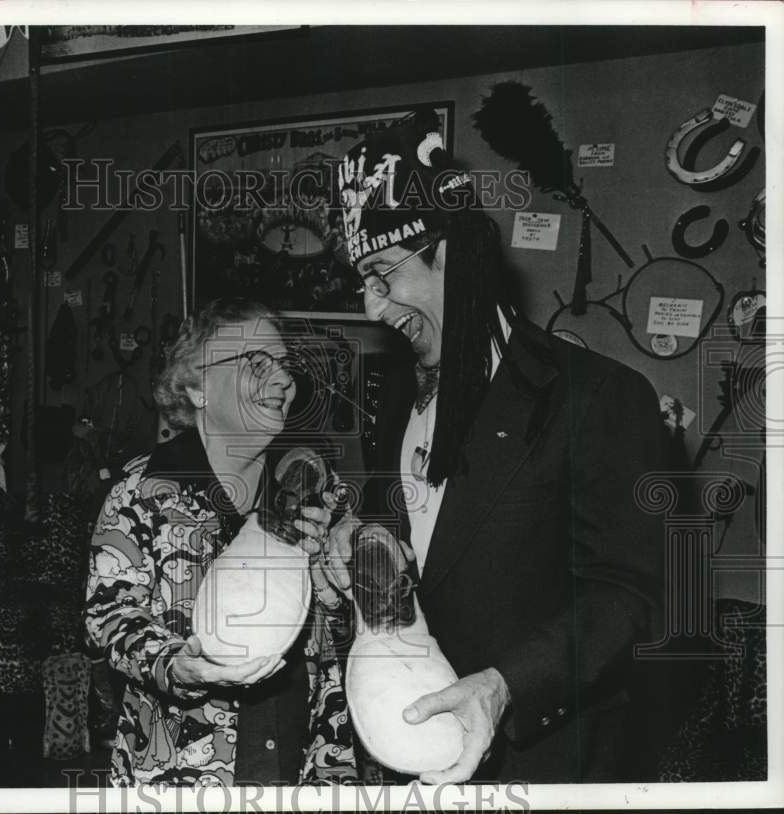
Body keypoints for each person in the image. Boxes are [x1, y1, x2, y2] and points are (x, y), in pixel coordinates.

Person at [320, 111, 668, 783]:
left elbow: (633, 597)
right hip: (403, 745)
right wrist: (358, 543)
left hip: (538, 761)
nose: (370, 307)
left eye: (383, 275)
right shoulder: (393, 393)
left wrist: (502, 685)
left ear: (451, 256)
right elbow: (397, 527)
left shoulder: (596, 396)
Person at [83, 297, 357, 787]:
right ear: (197, 386)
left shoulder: (314, 487)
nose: (283, 381)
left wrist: (338, 594)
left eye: (283, 364)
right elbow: (108, 619)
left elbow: (346, 636)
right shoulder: (140, 491)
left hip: (303, 766)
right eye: (256, 363)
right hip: (184, 773)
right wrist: (179, 666)